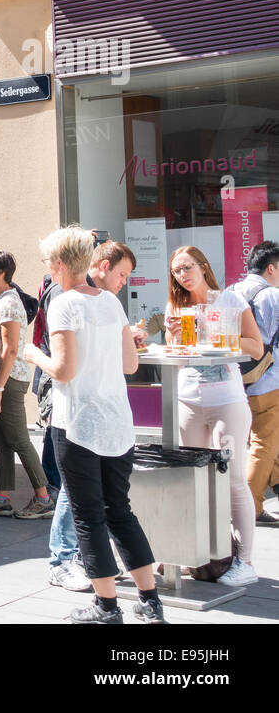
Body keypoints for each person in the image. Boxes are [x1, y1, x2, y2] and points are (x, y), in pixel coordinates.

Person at [22, 226, 164, 623]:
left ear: (61, 263)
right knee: (121, 510)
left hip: (79, 423)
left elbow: (64, 371)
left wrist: (34, 355)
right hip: (117, 421)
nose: (48, 268)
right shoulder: (110, 303)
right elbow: (131, 365)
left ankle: (106, 606)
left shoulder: (63, 304)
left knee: (88, 515)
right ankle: (150, 601)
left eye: (50, 261)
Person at [164, 245, 264, 586]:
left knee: (233, 479)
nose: (183, 274)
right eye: (177, 270)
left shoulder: (230, 301)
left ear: (203, 266)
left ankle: (245, 562)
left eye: (188, 267)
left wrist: (222, 335)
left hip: (227, 401)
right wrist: (174, 340)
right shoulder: (176, 308)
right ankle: (190, 552)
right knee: (188, 480)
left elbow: (257, 346)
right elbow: (177, 362)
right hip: (188, 399)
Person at [47, 240, 141, 591]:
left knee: (94, 500)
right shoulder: (64, 298)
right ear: (100, 264)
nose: (123, 282)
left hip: (96, 414)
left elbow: (122, 362)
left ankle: (92, 565)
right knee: (88, 498)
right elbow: (64, 365)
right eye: (121, 274)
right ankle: (65, 558)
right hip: (76, 412)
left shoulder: (107, 304)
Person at [0, 251, 54, 519]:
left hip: (8, 382)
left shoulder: (8, 302)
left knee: (18, 439)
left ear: (2, 273)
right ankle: (1, 497)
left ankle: (44, 498)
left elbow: (11, 349)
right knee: (1, 442)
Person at [228, 241, 279, 525]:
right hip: (269, 379)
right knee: (263, 444)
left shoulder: (231, 291)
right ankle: (252, 507)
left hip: (237, 378)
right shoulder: (272, 295)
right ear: (271, 268)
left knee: (263, 439)